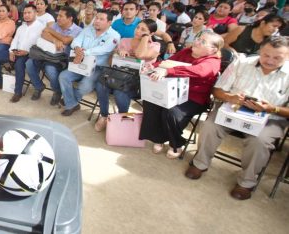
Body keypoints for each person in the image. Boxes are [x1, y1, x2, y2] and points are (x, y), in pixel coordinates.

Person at [184, 36, 289, 200]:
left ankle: (246, 182)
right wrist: (230, 97)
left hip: (270, 115)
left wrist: (272, 108)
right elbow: (217, 90)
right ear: (260, 50)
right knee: (210, 126)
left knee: (260, 141)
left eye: (277, 58)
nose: (269, 60)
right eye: (266, 55)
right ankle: (200, 163)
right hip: (232, 107)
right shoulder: (242, 63)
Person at [139, 31, 223, 158]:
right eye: (198, 38)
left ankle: (176, 143)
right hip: (172, 90)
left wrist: (169, 71)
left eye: (203, 42)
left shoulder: (213, 61)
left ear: (213, 49)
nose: (197, 42)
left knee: (171, 111)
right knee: (151, 101)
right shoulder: (187, 51)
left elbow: (199, 71)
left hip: (193, 97)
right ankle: (158, 138)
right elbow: (168, 62)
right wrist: (152, 67)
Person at [94, 19, 161, 131]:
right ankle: (104, 115)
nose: (138, 31)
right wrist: (117, 54)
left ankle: (124, 118)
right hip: (119, 76)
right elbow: (111, 63)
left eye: (143, 30)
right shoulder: (125, 40)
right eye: (138, 27)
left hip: (138, 81)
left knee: (119, 92)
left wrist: (145, 38)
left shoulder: (155, 46)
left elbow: (140, 55)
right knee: (101, 84)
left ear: (152, 34)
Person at [59, 11, 120, 116]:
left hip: (98, 67)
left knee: (84, 87)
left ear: (109, 22)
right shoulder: (88, 30)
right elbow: (76, 42)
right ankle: (72, 104)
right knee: (63, 76)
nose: (97, 21)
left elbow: (104, 49)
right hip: (80, 62)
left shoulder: (114, 35)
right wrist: (77, 48)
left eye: (101, 19)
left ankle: (70, 101)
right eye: (96, 18)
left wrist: (83, 53)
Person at [26, 6, 82, 105]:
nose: (58, 18)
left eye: (61, 16)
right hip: (45, 53)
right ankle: (39, 86)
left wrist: (50, 31)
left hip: (61, 59)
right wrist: (55, 40)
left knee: (50, 69)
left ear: (70, 18)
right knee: (29, 63)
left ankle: (57, 91)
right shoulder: (56, 25)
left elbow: (65, 40)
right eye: (58, 15)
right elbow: (43, 34)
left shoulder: (77, 30)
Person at [0, 4, 46, 102]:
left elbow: (41, 45)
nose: (26, 15)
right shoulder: (21, 27)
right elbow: (15, 41)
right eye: (25, 13)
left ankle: (17, 92)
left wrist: (27, 52)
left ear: (35, 13)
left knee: (19, 64)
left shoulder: (41, 28)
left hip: (30, 54)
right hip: (16, 52)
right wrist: (11, 51)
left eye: (29, 13)